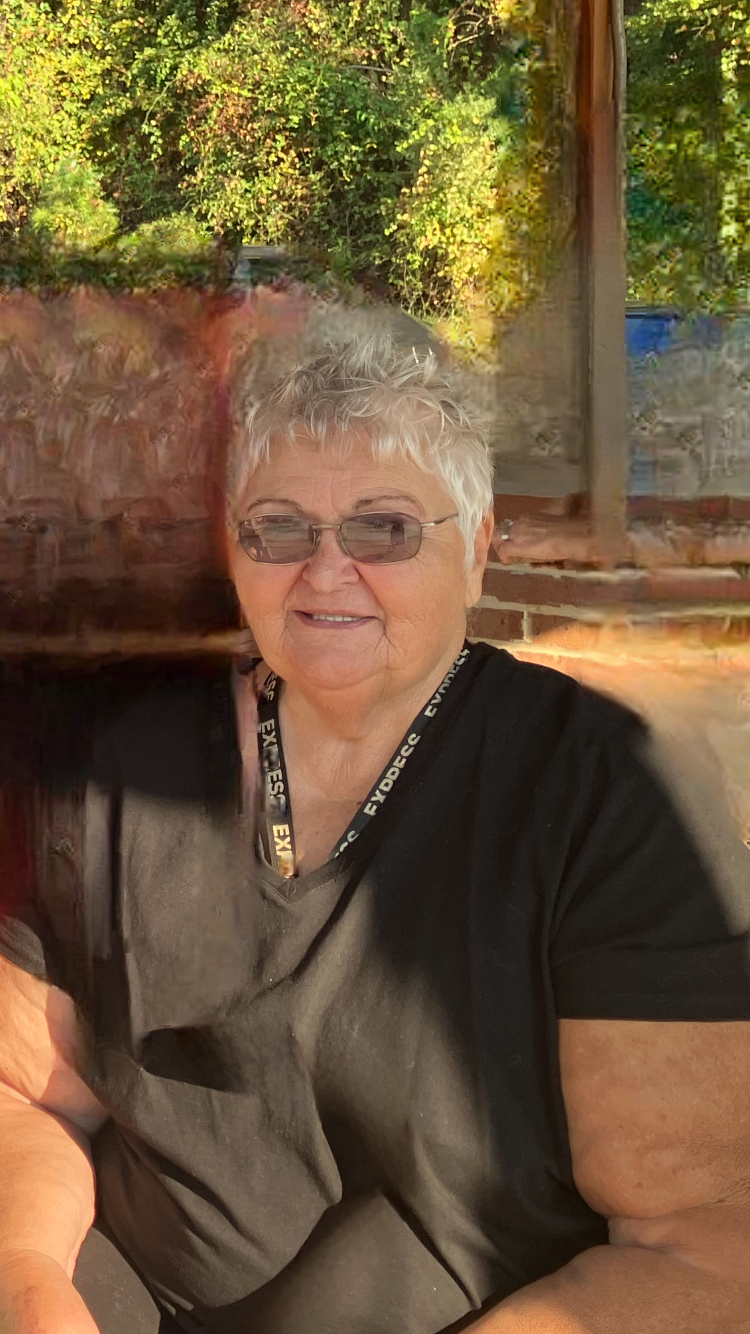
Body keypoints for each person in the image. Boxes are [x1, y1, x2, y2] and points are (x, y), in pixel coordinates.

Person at [1, 335, 750, 1334]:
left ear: (477, 547)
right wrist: (29, 1287)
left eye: (384, 527)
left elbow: (703, 1241)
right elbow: (27, 1094)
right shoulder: (113, 768)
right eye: (280, 528)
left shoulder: (606, 793)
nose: (326, 570)